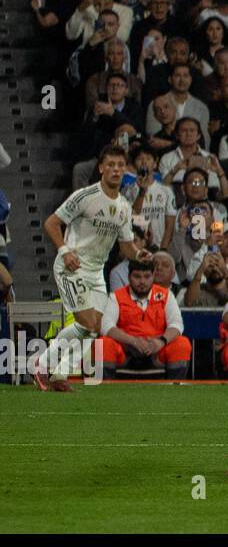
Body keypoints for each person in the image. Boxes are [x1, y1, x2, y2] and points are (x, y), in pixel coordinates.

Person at [34, 144, 153, 391]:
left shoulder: (122, 207)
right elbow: (51, 223)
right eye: (110, 165)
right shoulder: (85, 196)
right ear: (101, 168)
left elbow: (127, 248)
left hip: (96, 272)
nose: (116, 170)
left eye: (120, 165)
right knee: (87, 324)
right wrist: (65, 251)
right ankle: (43, 364)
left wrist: (139, 253)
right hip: (72, 267)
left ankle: (60, 375)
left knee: (93, 329)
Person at [99, 258, 191, 379]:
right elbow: (106, 326)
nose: (142, 281)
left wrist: (160, 342)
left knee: (181, 343)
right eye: (137, 276)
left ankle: (175, 390)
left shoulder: (166, 295)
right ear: (128, 276)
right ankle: (104, 390)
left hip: (156, 351)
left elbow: (177, 325)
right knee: (102, 343)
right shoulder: (116, 296)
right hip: (126, 350)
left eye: (147, 276)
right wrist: (133, 341)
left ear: (153, 275)